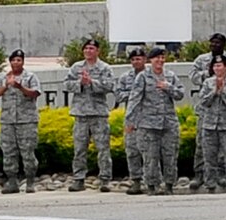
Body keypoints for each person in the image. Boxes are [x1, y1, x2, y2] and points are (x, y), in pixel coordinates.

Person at [66, 40, 118, 192]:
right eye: (86, 48)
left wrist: (92, 82)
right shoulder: (77, 67)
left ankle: (105, 180)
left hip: (98, 114)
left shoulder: (104, 68)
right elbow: (67, 84)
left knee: (103, 149)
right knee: (79, 149)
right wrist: (80, 83)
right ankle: (78, 179)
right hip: (80, 114)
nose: (88, 51)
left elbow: (109, 86)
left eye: (92, 48)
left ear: (98, 51)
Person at [131, 48, 184, 195]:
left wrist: (168, 87)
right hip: (148, 124)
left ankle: (169, 186)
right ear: (150, 60)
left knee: (170, 155)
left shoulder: (170, 76)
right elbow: (134, 99)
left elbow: (180, 94)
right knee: (150, 157)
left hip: (168, 123)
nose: (160, 61)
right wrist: (130, 121)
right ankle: (152, 186)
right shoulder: (143, 77)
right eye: (156, 58)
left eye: (162, 58)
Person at [0, 50, 41, 193]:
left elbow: (35, 93)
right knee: (8, 152)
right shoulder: (3, 77)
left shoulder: (30, 77)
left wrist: (20, 87)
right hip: (8, 121)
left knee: (28, 152)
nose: (16, 63)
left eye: (19, 60)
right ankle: (12, 181)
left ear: (23, 62)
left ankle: (30, 181)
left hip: (27, 121)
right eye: (13, 60)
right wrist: (6, 85)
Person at [194, 55, 226, 193]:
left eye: (220, 66)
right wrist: (215, 91)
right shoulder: (208, 82)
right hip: (209, 125)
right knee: (209, 156)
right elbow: (203, 101)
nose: (217, 68)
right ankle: (210, 185)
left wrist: (223, 91)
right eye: (215, 66)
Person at [119, 48, 149, 194]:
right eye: (133, 59)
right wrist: (135, 93)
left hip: (149, 119)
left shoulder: (152, 75)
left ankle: (152, 181)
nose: (136, 61)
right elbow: (118, 95)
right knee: (132, 151)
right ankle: (136, 181)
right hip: (131, 119)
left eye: (139, 58)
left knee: (149, 152)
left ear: (145, 60)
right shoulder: (125, 77)